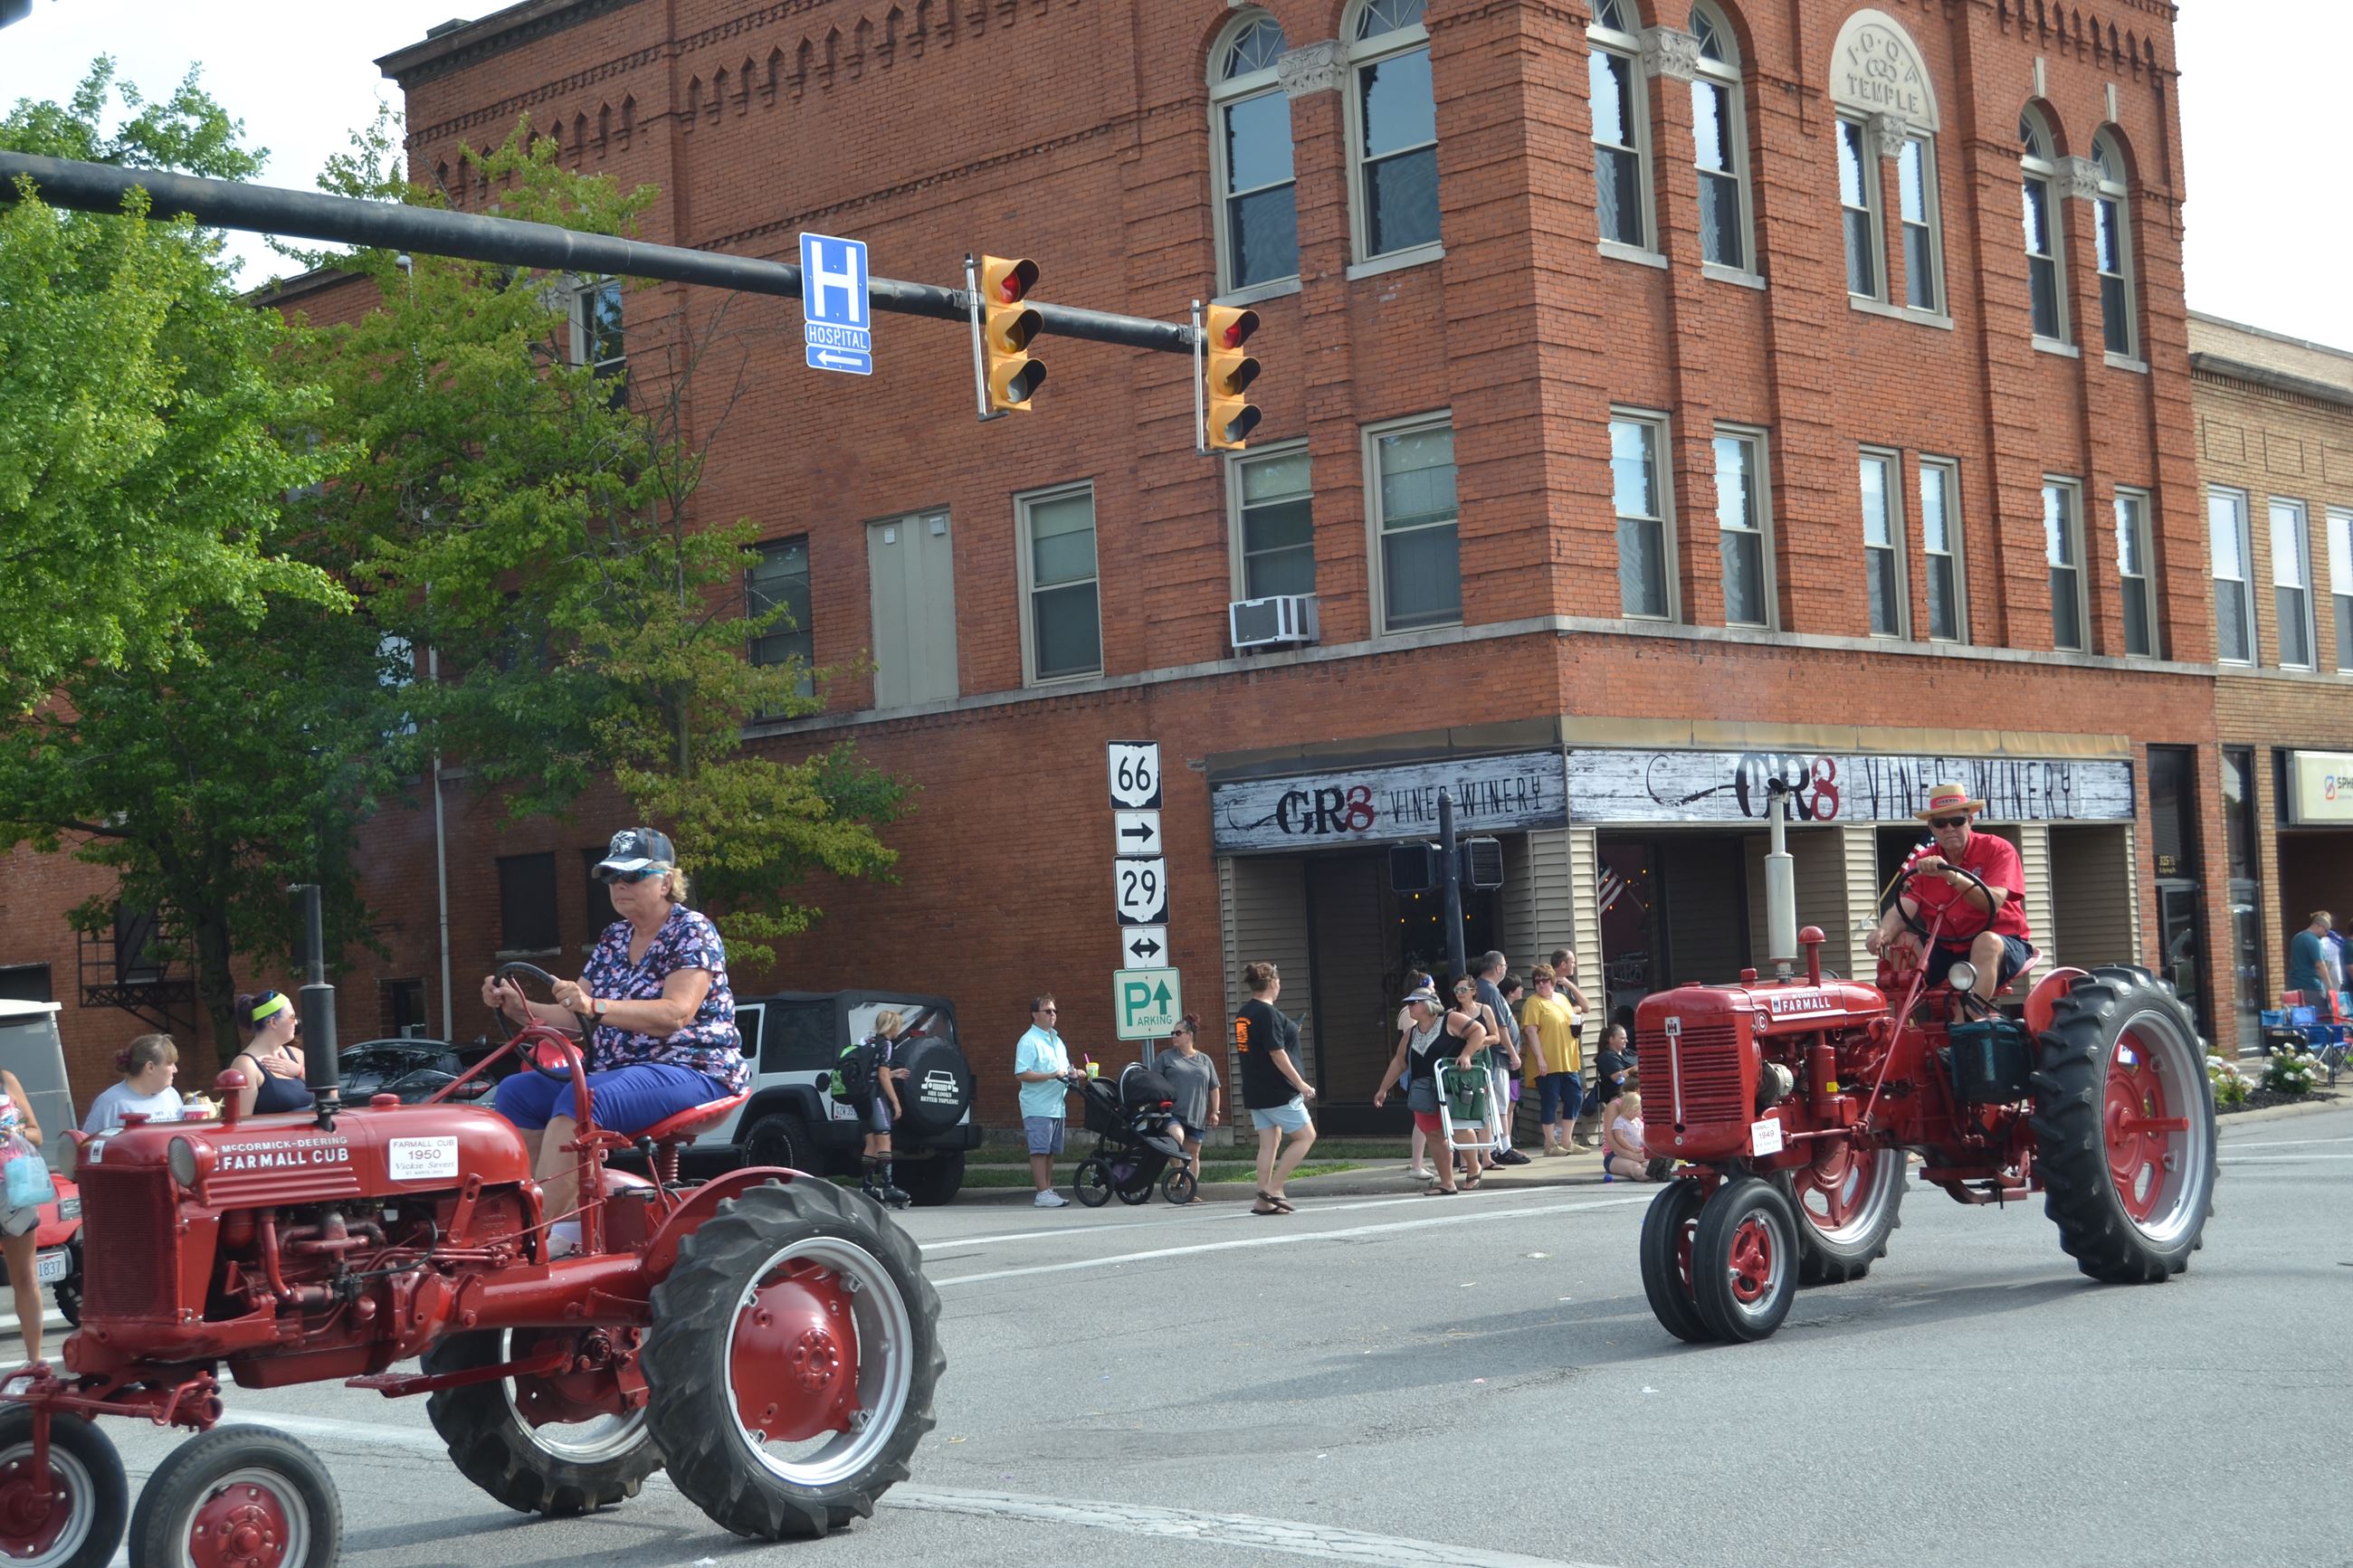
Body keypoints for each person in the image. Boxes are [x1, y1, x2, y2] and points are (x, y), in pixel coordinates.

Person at [483, 826, 746, 1253]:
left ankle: (531, 1241)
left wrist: (596, 1006)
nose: (620, 884)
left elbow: (676, 1014)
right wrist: (519, 1008)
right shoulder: (614, 937)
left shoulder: (692, 930)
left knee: (583, 1099)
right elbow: (576, 1017)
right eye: (611, 876)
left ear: (666, 881)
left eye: (634, 875)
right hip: (619, 1071)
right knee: (516, 1092)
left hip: (693, 1069)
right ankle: (518, 1222)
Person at [1864, 784, 2034, 1005]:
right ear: (1931, 827)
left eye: (1957, 821)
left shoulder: (1998, 849)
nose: (1949, 828)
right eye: (1940, 823)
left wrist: (1951, 875)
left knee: (1986, 942)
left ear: (1969, 821)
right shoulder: (1923, 861)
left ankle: (1969, 1019)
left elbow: (1992, 903)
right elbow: (1902, 910)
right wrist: (1883, 932)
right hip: (1947, 947)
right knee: (1900, 943)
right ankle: (1899, 1020)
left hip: (2002, 943)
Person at [1234, 961, 1316, 1215]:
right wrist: (1300, 1083)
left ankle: (1263, 1201)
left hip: (1255, 1089)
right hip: (1278, 1090)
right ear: (1273, 983)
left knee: (1269, 1143)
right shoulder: (1267, 1014)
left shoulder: (1244, 1014)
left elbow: (1258, 1046)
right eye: (1279, 981)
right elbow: (1276, 1053)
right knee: (1306, 1136)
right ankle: (1274, 1188)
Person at [1374, 985, 1464, 1194]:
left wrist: (1467, 1054)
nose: (1410, 1007)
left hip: (1451, 1086)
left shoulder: (1450, 1019)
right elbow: (1399, 1062)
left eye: (1414, 1003)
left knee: (1462, 1129)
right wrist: (1383, 1088)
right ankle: (1447, 1183)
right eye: (1408, 1003)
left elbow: (1478, 1031)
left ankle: (1474, 1168)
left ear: (1429, 1005)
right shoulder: (1411, 1033)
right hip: (1424, 1090)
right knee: (1433, 1135)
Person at [0, 1066, 51, 1385]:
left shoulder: (5, 1079)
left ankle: (35, 1363)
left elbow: (37, 1134)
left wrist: (14, 1132)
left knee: (25, 1278)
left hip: (13, 1191)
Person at [1014, 993, 1075, 1209]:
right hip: (1037, 1105)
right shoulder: (1029, 1041)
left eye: (1055, 1011)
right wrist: (1050, 1075)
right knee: (1039, 1150)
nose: (1053, 1015)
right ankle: (1041, 1193)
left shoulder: (1057, 1041)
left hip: (1056, 1106)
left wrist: (1073, 1073)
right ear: (1035, 1015)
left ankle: (1048, 1190)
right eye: (1047, 1011)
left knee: (1050, 1151)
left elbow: (1063, 1069)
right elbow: (1021, 1073)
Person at [1519, 965, 1582, 1156]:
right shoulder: (1533, 1003)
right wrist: (1540, 1059)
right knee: (1550, 1101)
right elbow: (1531, 1032)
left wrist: (1579, 1027)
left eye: (1544, 981)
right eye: (1537, 981)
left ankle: (1566, 1141)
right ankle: (1550, 1143)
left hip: (1567, 1059)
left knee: (1575, 1097)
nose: (1540, 984)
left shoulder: (1562, 999)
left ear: (1553, 982)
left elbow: (1570, 1020)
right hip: (1547, 1061)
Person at [1472, 952, 1529, 1165]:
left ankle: (1497, 1146)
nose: (1505, 969)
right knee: (1500, 1105)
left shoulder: (1484, 988)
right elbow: (1501, 1027)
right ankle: (1503, 1148)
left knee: (1498, 1105)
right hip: (1497, 1057)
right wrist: (1513, 1054)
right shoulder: (1490, 991)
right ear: (1498, 968)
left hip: (1496, 1057)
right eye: (1504, 966)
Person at [1440, 977, 1493, 1188]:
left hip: (1480, 1061)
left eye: (1464, 989)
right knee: (1462, 1109)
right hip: (1460, 1065)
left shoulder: (1484, 1010)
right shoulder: (1452, 1014)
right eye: (1456, 989)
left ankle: (1486, 1157)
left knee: (1483, 1108)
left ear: (1473, 991)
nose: (1459, 993)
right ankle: (1466, 1162)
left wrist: (1475, 1040)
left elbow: (1496, 1036)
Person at [227, 990, 313, 1117]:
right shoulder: (246, 1065)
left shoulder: (297, 1055)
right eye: (292, 1017)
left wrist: (300, 1071)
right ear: (273, 1022)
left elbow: (331, 1097)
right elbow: (241, 1121)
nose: (296, 1022)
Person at [859, 1010, 910, 1209]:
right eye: (898, 1025)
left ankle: (867, 1187)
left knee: (871, 1142)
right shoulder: (887, 1045)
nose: (899, 1029)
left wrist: (893, 1073)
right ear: (892, 1026)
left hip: (862, 1099)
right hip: (875, 1097)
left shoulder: (870, 1042)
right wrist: (896, 1102)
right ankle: (888, 1187)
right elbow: (881, 1076)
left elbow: (874, 1072)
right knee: (884, 1141)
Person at [81, 1033, 184, 1133]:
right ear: (150, 1067)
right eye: (170, 1064)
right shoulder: (111, 1103)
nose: (175, 1069)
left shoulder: (172, 1095)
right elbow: (89, 1142)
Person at [1155, 1014, 1220, 1170]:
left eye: (1178, 1033)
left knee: (1193, 1154)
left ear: (1189, 1035)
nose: (1173, 1036)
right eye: (1172, 1033)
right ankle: (1175, 1177)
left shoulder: (1205, 1060)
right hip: (1173, 1112)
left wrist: (1215, 1112)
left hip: (1196, 1116)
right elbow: (1153, 1080)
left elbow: (1214, 1087)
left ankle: (1190, 1185)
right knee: (1177, 1138)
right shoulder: (1166, 1057)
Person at [1393, 970, 1435, 1179]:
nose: (1434, 990)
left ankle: (1421, 1162)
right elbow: (1414, 1044)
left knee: (1426, 1116)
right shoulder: (1408, 1013)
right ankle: (1416, 1165)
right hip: (1414, 1072)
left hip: (1421, 1071)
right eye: (1432, 986)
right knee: (1421, 1117)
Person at [1600, 1088, 1658, 1182]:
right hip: (1617, 1154)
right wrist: (1633, 1152)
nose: (1640, 1112)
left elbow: (1643, 1136)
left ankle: (1659, 1171)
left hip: (1639, 1152)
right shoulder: (1619, 1120)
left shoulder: (1637, 1120)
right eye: (1637, 1109)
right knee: (1634, 1167)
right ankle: (1653, 1175)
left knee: (1647, 1164)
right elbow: (1618, 1138)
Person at [2289, 911, 2335, 1004]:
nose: (2325, 934)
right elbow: (2320, 965)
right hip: (2311, 987)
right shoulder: (2314, 940)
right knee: (2321, 1012)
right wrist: (2330, 987)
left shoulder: (2296, 937)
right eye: (2326, 930)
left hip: (2294, 986)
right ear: (2319, 926)